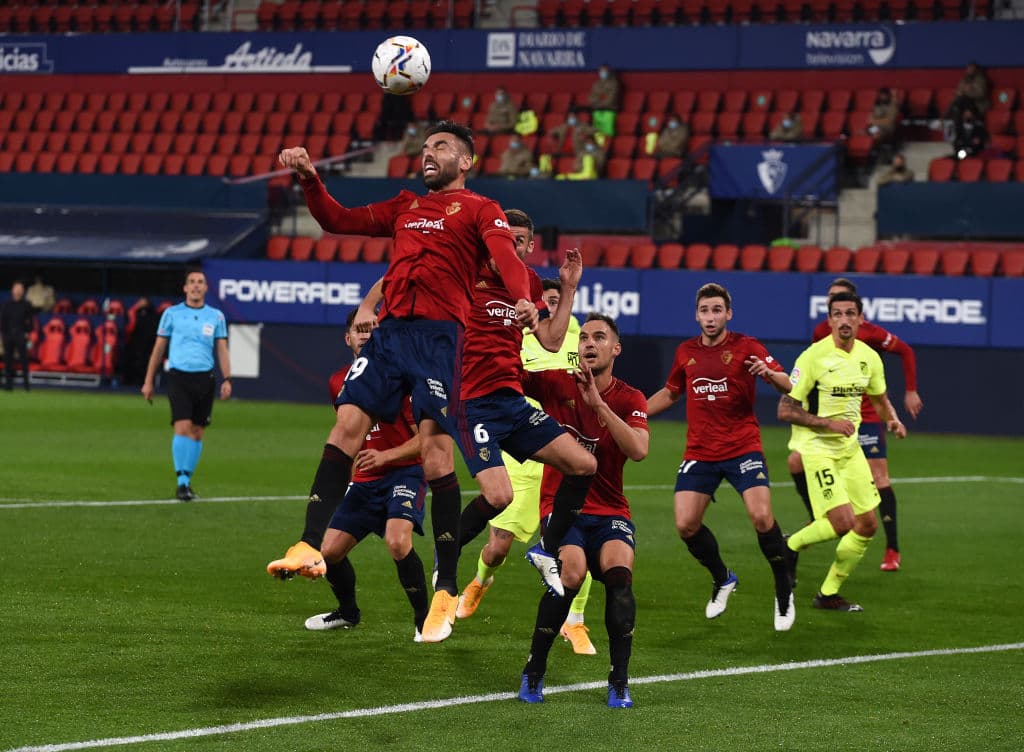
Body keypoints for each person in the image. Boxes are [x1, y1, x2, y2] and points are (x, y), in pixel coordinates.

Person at [270, 121, 536, 644]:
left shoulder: (482, 209)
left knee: (436, 457)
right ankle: (306, 543)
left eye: (442, 147)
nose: (428, 152)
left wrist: (525, 295)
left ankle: (445, 590)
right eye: (426, 145)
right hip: (391, 334)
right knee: (347, 423)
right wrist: (308, 179)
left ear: (466, 162)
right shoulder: (404, 206)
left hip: (440, 340)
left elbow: (507, 259)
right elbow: (336, 219)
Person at [351, 208, 598, 617]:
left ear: (530, 246)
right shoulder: (465, 270)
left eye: (521, 241)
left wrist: (569, 288)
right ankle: (445, 567)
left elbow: (553, 342)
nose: (514, 246)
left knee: (583, 464)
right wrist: (367, 306)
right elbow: (397, 275)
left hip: (511, 401)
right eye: (508, 238)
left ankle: (546, 549)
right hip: (469, 402)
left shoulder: (529, 284)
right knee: (499, 495)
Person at [455, 264, 597, 655]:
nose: (552, 307)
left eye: (558, 301)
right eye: (546, 301)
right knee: (498, 546)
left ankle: (576, 621)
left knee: (573, 544)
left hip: (561, 454)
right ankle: (480, 580)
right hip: (521, 455)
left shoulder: (575, 338)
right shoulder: (514, 339)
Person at [646, 283, 797, 632]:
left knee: (761, 517)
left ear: (728, 313)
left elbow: (788, 384)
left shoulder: (747, 346)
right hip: (700, 451)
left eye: (717, 310)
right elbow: (671, 393)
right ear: (696, 314)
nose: (710, 317)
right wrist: (633, 415)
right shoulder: (686, 352)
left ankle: (783, 587)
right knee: (685, 525)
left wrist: (769, 374)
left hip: (743, 446)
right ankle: (722, 578)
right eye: (704, 310)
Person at [517, 314, 649, 708]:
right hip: (561, 507)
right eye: (585, 337)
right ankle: (534, 670)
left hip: (610, 510)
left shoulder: (630, 398)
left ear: (615, 348)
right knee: (571, 572)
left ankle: (619, 681)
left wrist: (600, 407)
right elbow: (510, 375)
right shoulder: (558, 383)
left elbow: (639, 451)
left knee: (620, 577)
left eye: (599, 337)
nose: (589, 343)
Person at [304, 310, 430, 643]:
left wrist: (385, 456)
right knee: (328, 553)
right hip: (364, 481)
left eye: (372, 328)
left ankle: (424, 621)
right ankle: (348, 612)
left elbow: (426, 440)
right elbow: (348, 439)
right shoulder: (337, 381)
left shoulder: (401, 377)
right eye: (359, 329)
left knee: (398, 542)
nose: (365, 334)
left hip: (405, 473)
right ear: (347, 338)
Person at [778, 290, 907, 613]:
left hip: (850, 451)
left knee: (867, 525)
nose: (845, 320)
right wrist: (826, 424)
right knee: (841, 522)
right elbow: (785, 409)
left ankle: (828, 594)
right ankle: (789, 546)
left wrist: (892, 419)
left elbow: (878, 397)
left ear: (861, 319)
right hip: (817, 447)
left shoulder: (869, 357)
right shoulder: (812, 357)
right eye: (838, 314)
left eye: (851, 314)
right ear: (830, 319)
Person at [788, 277, 923, 572]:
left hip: (868, 417)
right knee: (795, 461)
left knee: (880, 477)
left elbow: (905, 352)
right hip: (833, 419)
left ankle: (892, 548)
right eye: (833, 305)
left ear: (857, 311)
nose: (841, 314)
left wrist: (907, 395)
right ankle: (817, 517)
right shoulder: (821, 335)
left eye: (846, 306)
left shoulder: (870, 334)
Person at [141, 268, 232, 501]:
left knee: (197, 432)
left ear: (205, 288)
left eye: (200, 282)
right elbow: (158, 349)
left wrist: (227, 379)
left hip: (205, 378)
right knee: (181, 427)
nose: (195, 286)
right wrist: (148, 380)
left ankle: (187, 482)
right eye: (191, 282)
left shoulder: (216, 316)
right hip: (179, 376)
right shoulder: (172, 314)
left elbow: (222, 349)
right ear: (185, 288)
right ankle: (181, 483)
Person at [1, 281, 35, 392]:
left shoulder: (26, 305)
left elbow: (30, 321)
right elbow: (2, 321)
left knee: (24, 361)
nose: (18, 291)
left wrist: (27, 332)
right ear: (12, 290)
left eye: (20, 289)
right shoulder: (6, 304)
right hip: (8, 335)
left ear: (23, 291)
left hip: (21, 335)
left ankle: (26, 386)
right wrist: (4, 334)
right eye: (16, 288)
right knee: (8, 361)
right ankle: (8, 386)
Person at [588, 64, 621, 137]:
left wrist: (598, 101)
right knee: (597, 134)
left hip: (609, 111)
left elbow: (611, 100)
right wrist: (599, 101)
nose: (602, 73)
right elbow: (591, 99)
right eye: (601, 71)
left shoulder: (614, 84)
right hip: (597, 111)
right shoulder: (596, 84)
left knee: (607, 136)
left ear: (609, 72)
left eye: (604, 71)